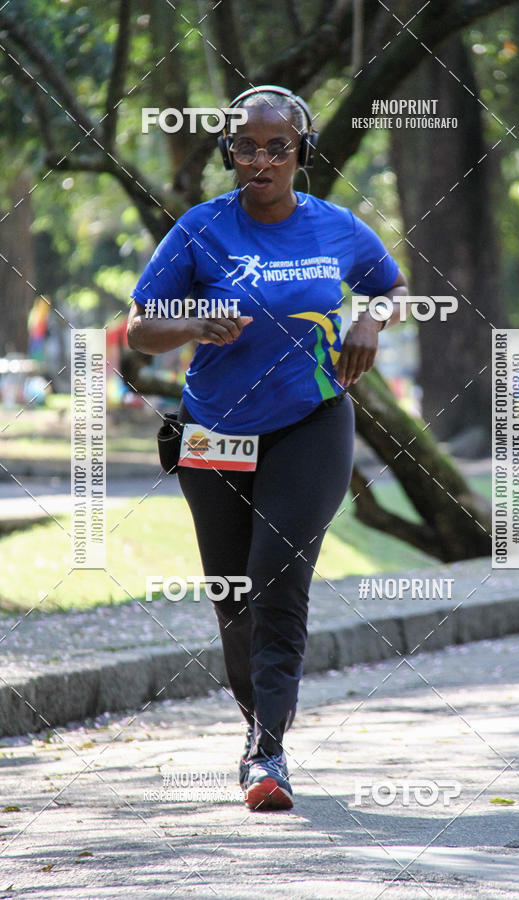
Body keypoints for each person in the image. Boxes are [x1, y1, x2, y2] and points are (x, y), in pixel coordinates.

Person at [127, 85, 408, 811]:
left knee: (276, 574)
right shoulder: (198, 229)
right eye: (246, 147)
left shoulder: (336, 227)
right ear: (229, 154)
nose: (261, 159)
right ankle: (259, 731)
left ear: (300, 154)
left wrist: (373, 321)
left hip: (309, 423)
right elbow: (138, 329)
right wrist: (191, 320)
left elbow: (390, 285)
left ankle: (268, 753)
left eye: (276, 146)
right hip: (214, 428)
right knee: (234, 595)